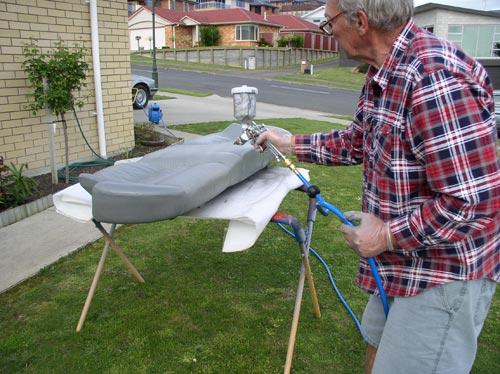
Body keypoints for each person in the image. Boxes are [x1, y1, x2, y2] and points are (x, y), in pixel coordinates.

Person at [256, 0, 500, 372]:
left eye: (330, 23)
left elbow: (471, 202)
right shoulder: (385, 72)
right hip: (403, 264)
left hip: (442, 273)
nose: (330, 31)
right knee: (376, 349)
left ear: (361, 22)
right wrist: (288, 144)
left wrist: (386, 236)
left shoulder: (433, 79)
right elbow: (358, 141)